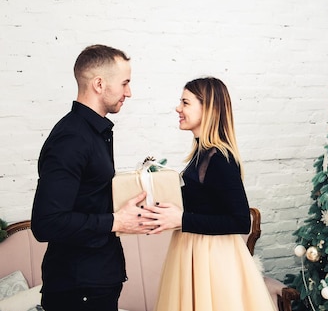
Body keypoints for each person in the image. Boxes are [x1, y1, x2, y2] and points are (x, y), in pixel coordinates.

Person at [31, 44, 151, 311]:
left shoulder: (94, 132)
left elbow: (87, 199)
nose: (128, 92)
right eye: (125, 83)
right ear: (99, 84)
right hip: (78, 289)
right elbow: (46, 223)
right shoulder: (72, 138)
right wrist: (116, 220)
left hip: (95, 282)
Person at [143, 77, 276, 311]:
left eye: (185, 103)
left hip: (213, 261)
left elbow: (241, 220)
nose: (178, 108)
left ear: (208, 108)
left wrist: (181, 219)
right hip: (192, 253)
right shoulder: (200, 154)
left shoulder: (220, 159)